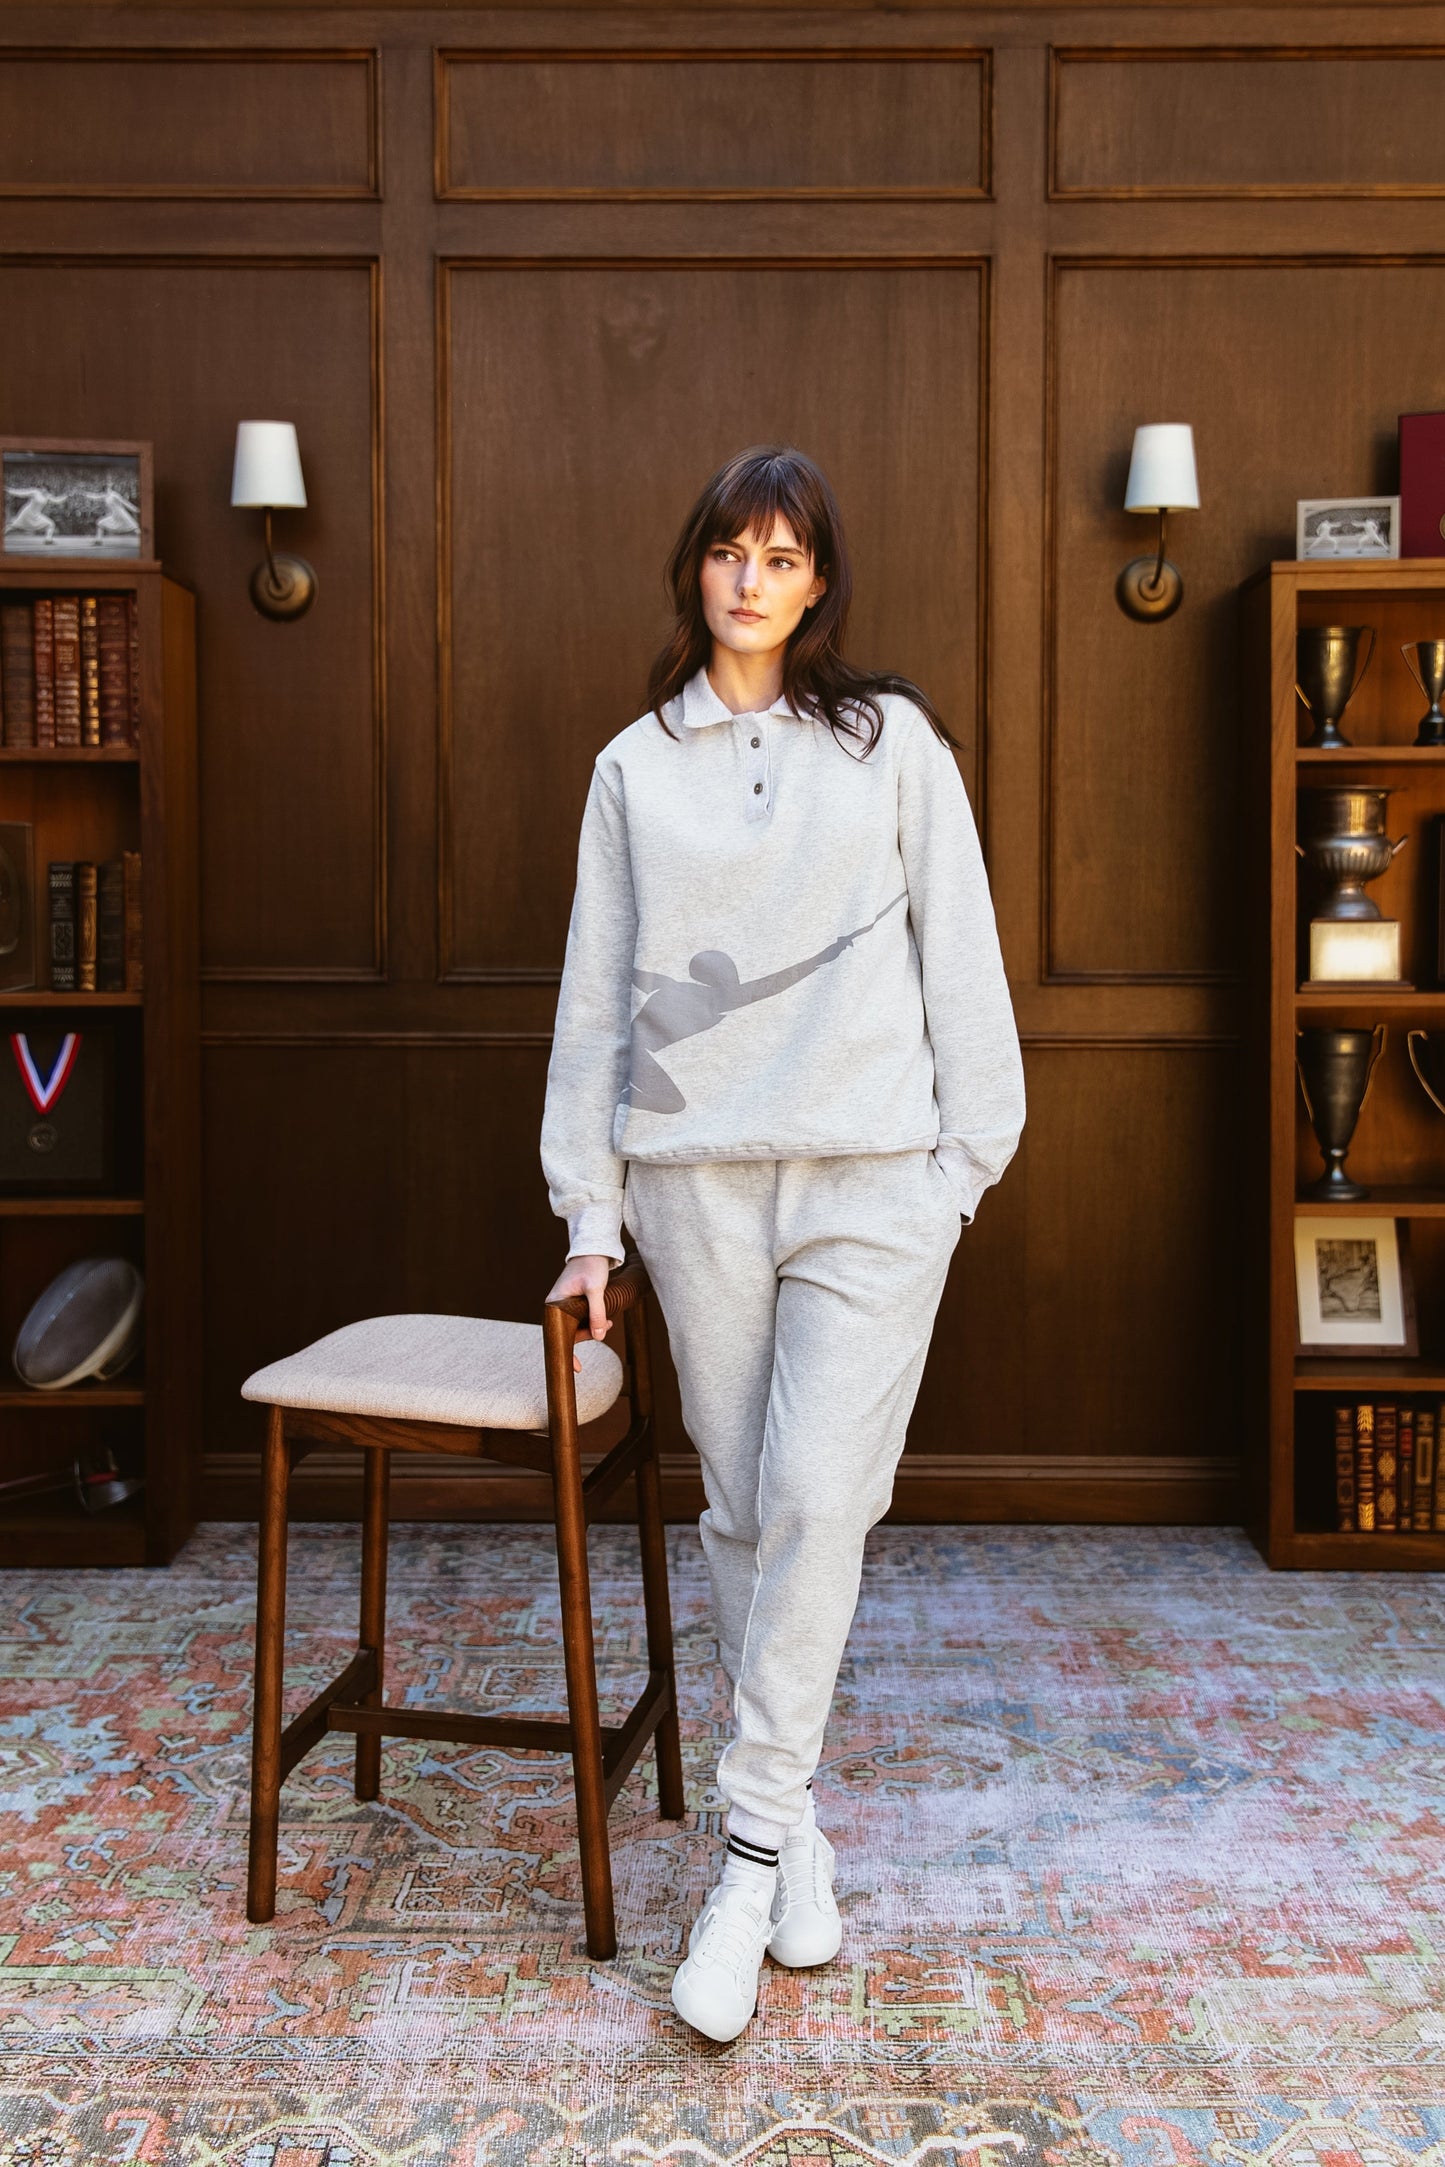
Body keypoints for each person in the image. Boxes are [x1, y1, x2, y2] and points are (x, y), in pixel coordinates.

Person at [541, 445, 1025, 2042]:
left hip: (873, 1184)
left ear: (818, 585)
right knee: (749, 1510)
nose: (750, 580)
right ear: (696, 567)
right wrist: (590, 1219)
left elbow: (961, 955)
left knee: (819, 1496)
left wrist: (959, 1170)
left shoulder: (888, 746)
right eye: (728, 552)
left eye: (782, 557)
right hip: (695, 1187)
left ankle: (744, 1866)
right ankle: (798, 1823)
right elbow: (597, 1002)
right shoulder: (634, 769)